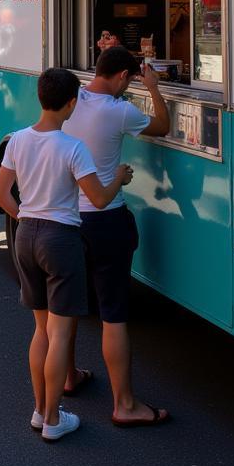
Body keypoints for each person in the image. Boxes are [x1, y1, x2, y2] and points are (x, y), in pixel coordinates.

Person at [0, 67, 131, 442]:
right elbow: (99, 199)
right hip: (61, 240)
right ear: (71, 104)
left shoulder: (19, 140)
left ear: (40, 97)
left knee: (41, 330)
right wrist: (119, 176)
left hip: (26, 236)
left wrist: (27, 217)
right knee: (60, 334)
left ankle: (41, 410)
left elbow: (1, 194)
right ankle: (54, 419)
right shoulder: (72, 147)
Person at [61, 46, 171, 426]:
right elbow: (162, 126)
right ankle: (124, 405)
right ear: (124, 77)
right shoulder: (119, 110)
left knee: (69, 306)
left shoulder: (69, 101)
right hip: (106, 219)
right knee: (113, 313)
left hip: (69, 218)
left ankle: (69, 375)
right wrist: (154, 88)